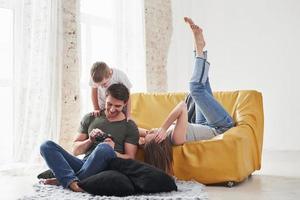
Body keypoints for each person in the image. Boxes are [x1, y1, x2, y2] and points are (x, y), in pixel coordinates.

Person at [139, 17, 235, 175]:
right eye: (151, 134)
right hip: (221, 127)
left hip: (204, 124)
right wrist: (163, 128)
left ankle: (200, 48)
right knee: (196, 87)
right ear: (159, 140)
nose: (149, 131)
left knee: (201, 84)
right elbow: (182, 107)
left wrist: (143, 138)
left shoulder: (166, 135)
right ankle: (199, 49)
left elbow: (137, 132)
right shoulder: (175, 138)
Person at [40, 83, 139, 192]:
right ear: (105, 98)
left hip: (107, 168)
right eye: (109, 104)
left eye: (117, 106)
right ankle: (72, 180)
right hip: (84, 165)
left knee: (104, 148)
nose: (111, 109)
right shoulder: (91, 118)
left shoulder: (129, 125)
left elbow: (130, 157)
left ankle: (66, 180)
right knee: (46, 146)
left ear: (125, 104)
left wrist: (112, 150)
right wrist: (90, 140)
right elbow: (75, 151)